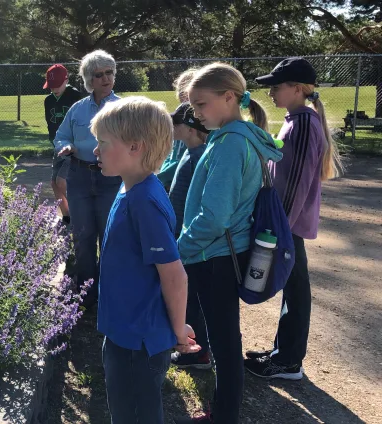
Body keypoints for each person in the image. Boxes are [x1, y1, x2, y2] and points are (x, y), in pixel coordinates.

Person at [174, 63, 283, 424]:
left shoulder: (231, 144)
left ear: (229, 97)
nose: (197, 114)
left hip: (215, 255)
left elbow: (214, 217)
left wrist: (180, 249)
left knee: (224, 343)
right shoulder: (235, 137)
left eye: (202, 105)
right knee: (224, 340)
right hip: (219, 253)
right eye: (193, 107)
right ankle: (223, 412)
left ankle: (224, 417)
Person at [91, 96, 199, 424]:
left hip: (139, 342)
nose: (96, 151)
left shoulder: (144, 202)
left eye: (103, 143)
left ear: (135, 147)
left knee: (136, 413)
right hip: (124, 331)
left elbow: (174, 275)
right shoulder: (130, 189)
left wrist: (178, 329)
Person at [244, 57, 344, 380]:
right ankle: (283, 352)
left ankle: (288, 360)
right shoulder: (295, 120)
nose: (271, 92)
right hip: (287, 223)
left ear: (298, 89)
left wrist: (278, 228)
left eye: (277, 86)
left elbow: (298, 181)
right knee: (293, 286)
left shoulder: (302, 124)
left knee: (296, 288)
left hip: (287, 225)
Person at [53, 49, 123, 307]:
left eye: (110, 73)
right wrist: (65, 146)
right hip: (79, 177)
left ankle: (108, 293)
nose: (106, 78)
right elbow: (60, 135)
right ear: (88, 80)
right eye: (99, 75)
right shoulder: (77, 109)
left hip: (111, 178)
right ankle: (86, 295)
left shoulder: (123, 108)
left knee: (109, 235)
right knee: (82, 236)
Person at [165, 102, 212, 370]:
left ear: (190, 128)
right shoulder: (190, 151)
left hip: (189, 242)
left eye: (177, 122)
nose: (173, 127)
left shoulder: (199, 156)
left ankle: (198, 352)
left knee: (191, 298)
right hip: (180, 236)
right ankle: (193, 348)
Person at [44, 64, 84, 225]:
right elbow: (50, 124)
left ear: (66, 80)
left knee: (62, 181)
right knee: (54, 183)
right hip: (58, 146)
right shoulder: (48, 101)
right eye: (51, 86)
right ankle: (67, 216)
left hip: (73, 146)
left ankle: (81, 210)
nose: (54, 88)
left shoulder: (75, 96)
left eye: (58, 84)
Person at [158, 68, 198, 189]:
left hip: (183, 179)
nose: (183, 94)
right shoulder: (179, 116)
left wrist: (160, 177)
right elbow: (171, 156)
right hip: (170, 178)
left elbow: (186, 159)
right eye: (180, 89)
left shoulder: (196, 123)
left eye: (185, 89)